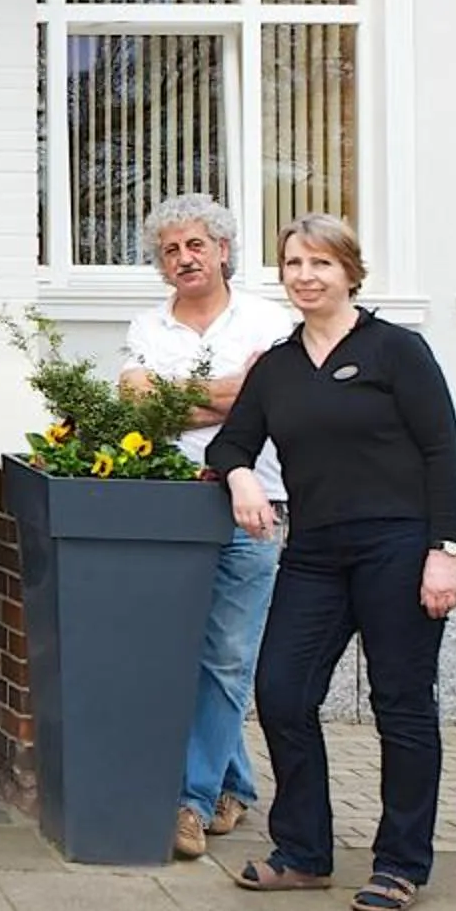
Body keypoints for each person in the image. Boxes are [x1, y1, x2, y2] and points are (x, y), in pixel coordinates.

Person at [208, 214, 456, 911]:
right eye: (293, 263)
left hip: (398, 546)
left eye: (320, 263)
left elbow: (445, 454)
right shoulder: (278, 367)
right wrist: (240, 479)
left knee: (402, 705)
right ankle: (304, 853)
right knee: (284, 693)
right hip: (316, 551)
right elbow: (229, 445)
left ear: (350, 272)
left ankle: (401, 863)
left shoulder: (396, 351)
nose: (305, 276)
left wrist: (444, 552)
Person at [118, 193, 295, 861]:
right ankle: (236, 783)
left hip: (252, 504)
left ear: (223, 250)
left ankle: (189, 802)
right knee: (185, 652)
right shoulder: (148, 324)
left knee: (225, 654)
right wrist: (221, 395)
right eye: (170, 250)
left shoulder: (268, 321)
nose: (183, 258)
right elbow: (136, 406)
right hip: (167, 502)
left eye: (195, 245)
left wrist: (179, 399)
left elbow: (261, 400)